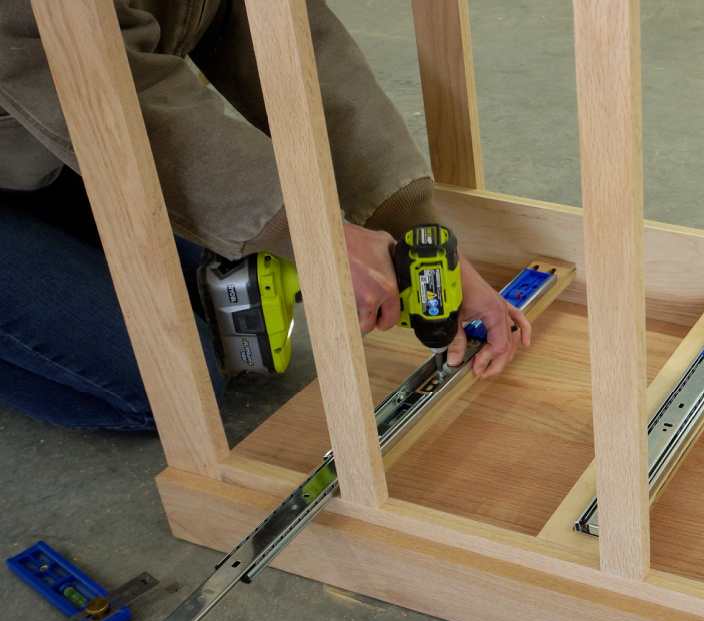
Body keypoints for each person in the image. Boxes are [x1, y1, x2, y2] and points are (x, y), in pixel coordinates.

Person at [0, 0, 530, 431]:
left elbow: (286, 41)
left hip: (49, 155)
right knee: (170, 388)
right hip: (59, 121)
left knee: (230, 314)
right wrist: (308, 231)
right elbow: (109, 89)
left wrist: (409, 222)